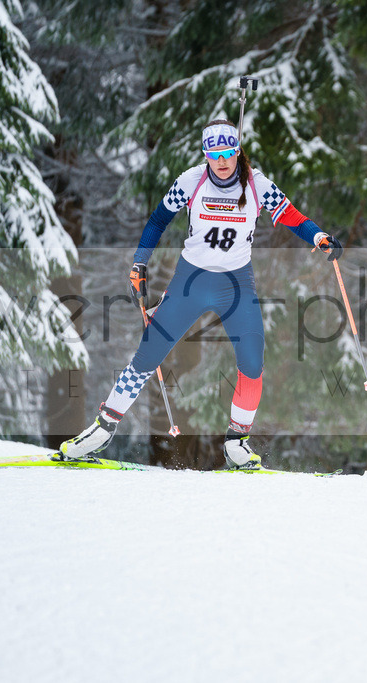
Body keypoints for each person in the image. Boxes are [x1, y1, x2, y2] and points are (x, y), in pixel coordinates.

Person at [58, 119, 342, 469]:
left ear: (237, 152)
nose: (221, 161)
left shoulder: (256, 184)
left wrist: (319, 236)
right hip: (191, 281)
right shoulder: (191, 181)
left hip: (236, 285)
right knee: (148, 355)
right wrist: (139, 263)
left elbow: (292, 216)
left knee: (253, 363)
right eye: (213, 154)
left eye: (227, 153)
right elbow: (158, 220)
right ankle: (102, 429)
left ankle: (236, 442)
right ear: (205, 155)